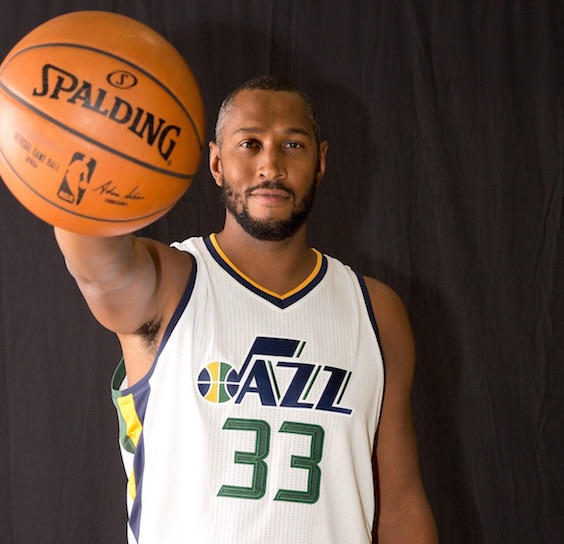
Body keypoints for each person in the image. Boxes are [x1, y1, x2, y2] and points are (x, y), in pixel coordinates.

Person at [54, 75, 438, 544]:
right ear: (216, 162)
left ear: (321, 162)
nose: (270, 165)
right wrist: (83, 148)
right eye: (249, 144)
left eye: (292, 145)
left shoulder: (375, 311)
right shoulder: (169, 283)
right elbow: (93, 264)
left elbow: (399, 503)